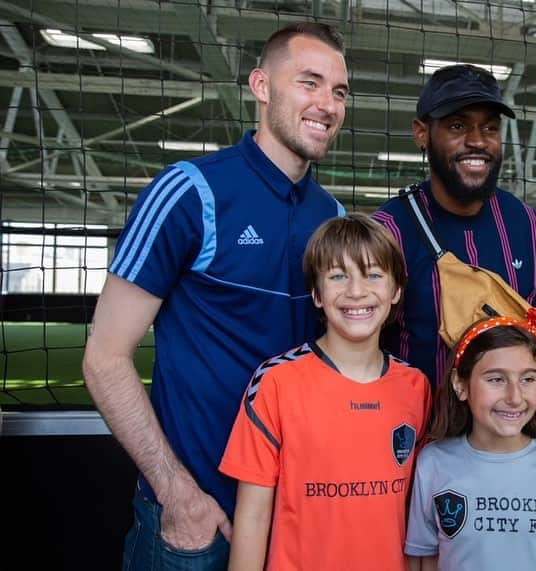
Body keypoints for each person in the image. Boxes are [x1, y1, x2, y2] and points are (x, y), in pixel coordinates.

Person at [81, 23, 349, 569]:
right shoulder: (190, 191)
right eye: (310, 83)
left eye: (339, 91)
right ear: (261, 86)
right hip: (194, 523)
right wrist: (177, 493)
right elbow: (104, 358)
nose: (327, 103)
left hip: (289, 520)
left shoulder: (334, 219)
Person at [219, 214, 431, 570]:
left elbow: (416, 516)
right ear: (316, 294)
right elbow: (253, 518)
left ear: (396, 291)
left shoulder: (416, 388)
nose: (356, 291)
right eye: (337, 276)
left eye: (374, 275)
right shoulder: (276, 383)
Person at [373, 64, 536, 386]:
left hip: (506, 430)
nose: (477, 141)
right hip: (418, 430)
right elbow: (360, 348)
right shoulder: (387, 230)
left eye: (490, 128)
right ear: (421, 132)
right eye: (457, 126)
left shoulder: (526, 223)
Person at [405, 313, 536, 570]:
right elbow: (425, 559)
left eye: (527, 379)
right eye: (496, 379)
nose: (514, 397)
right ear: (460, 384)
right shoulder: (433, 462)